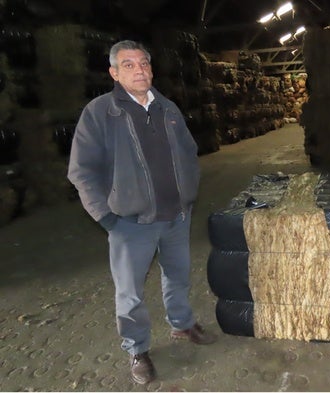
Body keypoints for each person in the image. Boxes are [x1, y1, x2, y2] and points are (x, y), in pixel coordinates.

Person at [68, 39, 217, 385]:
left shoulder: (167, 108)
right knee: (130, 292)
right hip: (130, 223)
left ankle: (182, 325)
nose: (140, 70)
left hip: (176, 216)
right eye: (129, 65)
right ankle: (137, 348)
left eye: (144, 64)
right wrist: (106, 217)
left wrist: (188, 193)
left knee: (178, 276)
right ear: (114, 73)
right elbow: (81, 170)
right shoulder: (100, 112)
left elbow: (190, 152)